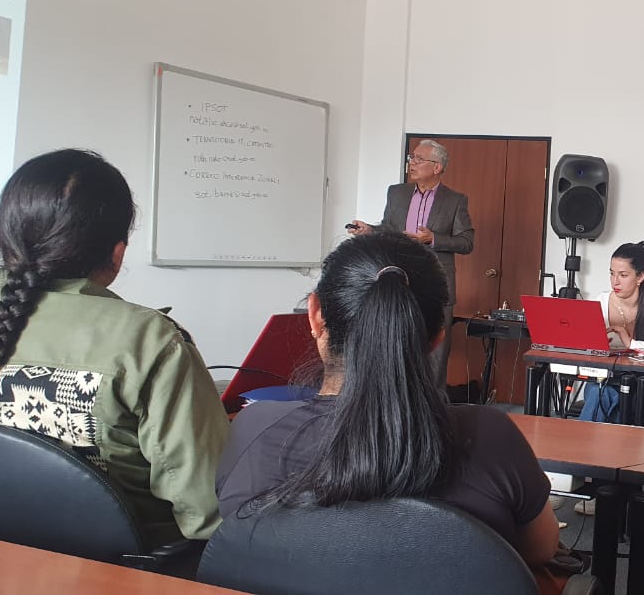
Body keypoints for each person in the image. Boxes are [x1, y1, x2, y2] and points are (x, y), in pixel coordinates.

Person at [216, 231, 563, 589]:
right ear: (437, 336)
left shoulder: (253, 430)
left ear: (315, 315)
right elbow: (541, 548)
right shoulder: (491, 435)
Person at [0, 149, 228, 547]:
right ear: (117, 253)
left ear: (5, 237)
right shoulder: (150, 339)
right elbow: (206, 514)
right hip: (121, 568)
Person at [348, 139, 474, 389]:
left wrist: (433, 238)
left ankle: (433, 404)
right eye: (411, 158)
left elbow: (467, 241)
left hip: (436, 286)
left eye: (418, 159)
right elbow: (388, 228)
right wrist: (370, 230)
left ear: (437, 167)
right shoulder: (397, 193)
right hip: (400, 279)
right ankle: (395, 398)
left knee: (436, 353)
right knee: (396, 343)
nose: (412, 163)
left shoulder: (455, 200)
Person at [577, 241, 644, 424]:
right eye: (612, 273)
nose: (615, 281)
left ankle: (584, 441)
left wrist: (632, 344)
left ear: (640, 277)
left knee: (605, 398)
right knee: (601, 392)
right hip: (605, 380)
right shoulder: (601, 302)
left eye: (623, 275)